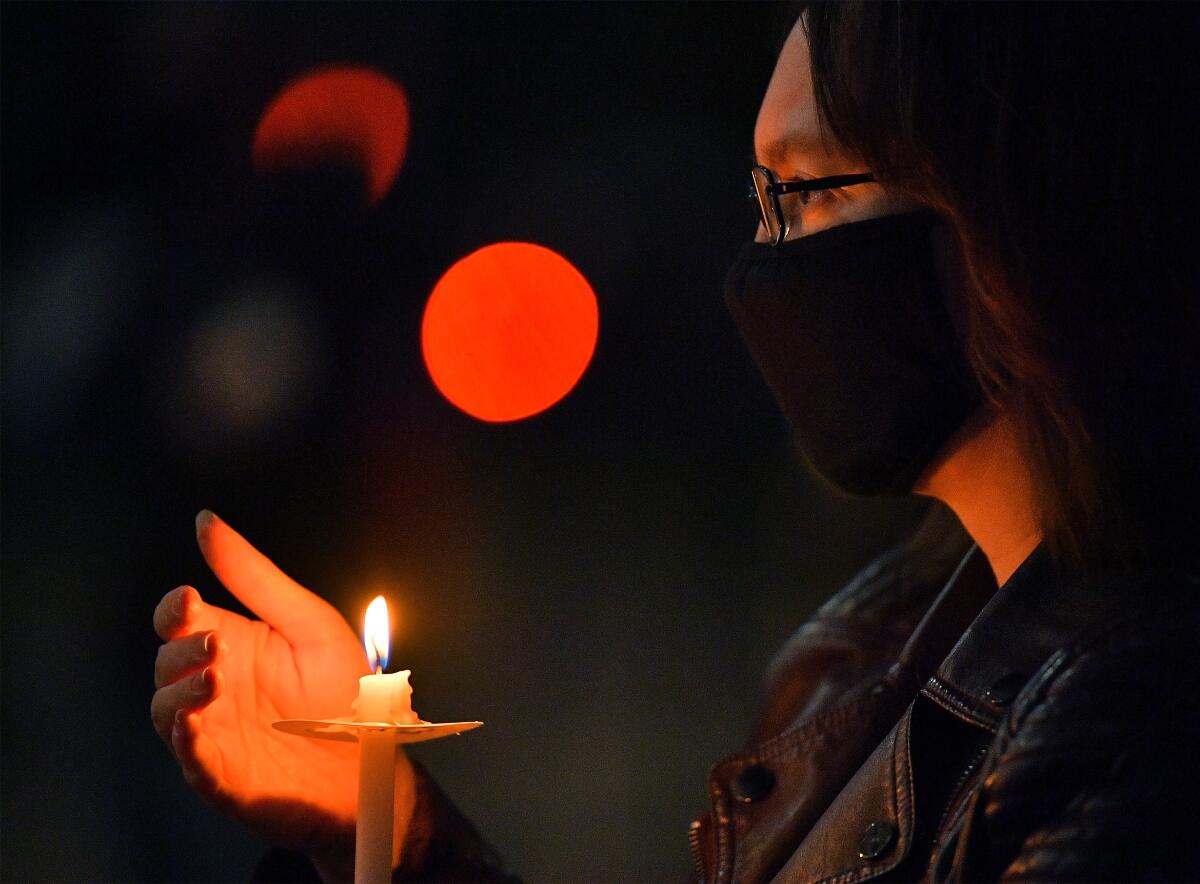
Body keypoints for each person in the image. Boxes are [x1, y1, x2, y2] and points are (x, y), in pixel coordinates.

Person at [151, 3, 1200, 881]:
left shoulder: (1131, 738)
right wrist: (381, 818)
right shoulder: (872, 646)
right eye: (758, 198)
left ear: (1009, 210)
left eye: (809, 190)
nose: (761, 265)